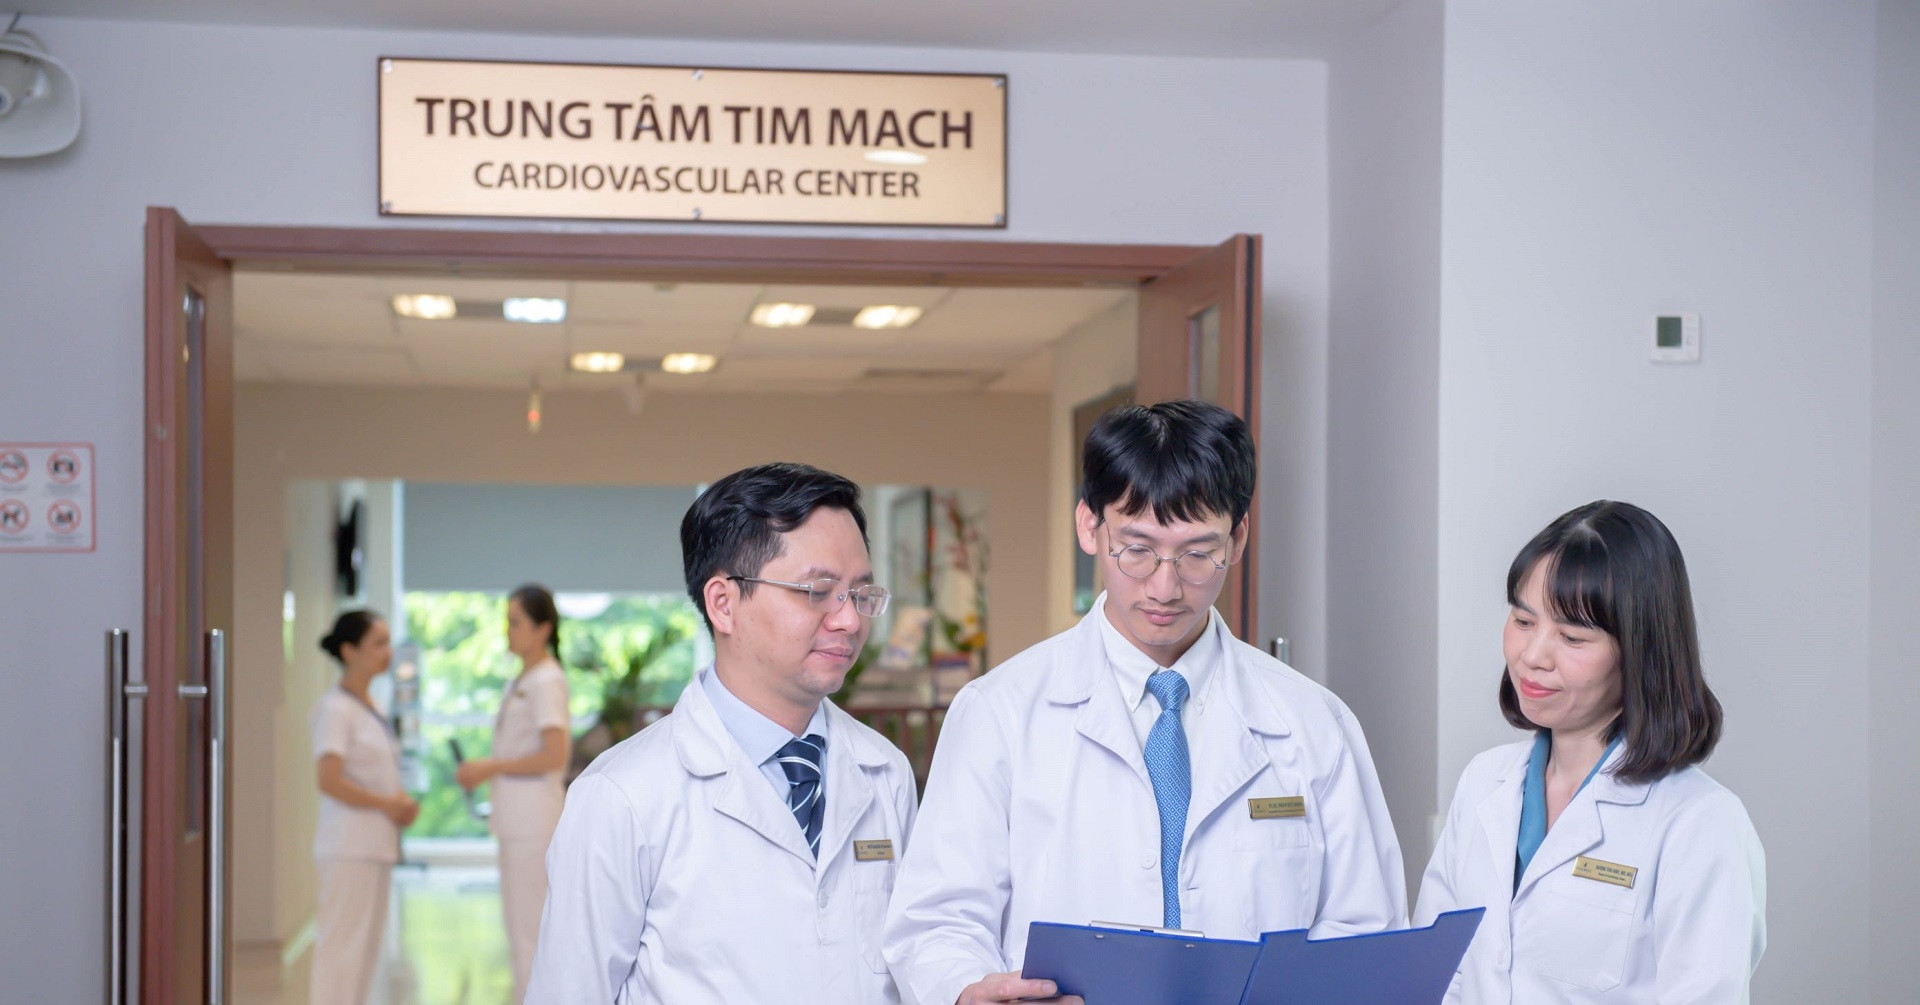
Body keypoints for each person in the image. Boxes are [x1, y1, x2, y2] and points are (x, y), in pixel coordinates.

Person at [884, 400, 1407, 1005]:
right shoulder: (998, 712)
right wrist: (970, 989)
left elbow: (1366, 930)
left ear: (1238, 538)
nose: (1165, 586)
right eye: (1136, 549)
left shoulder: (1314, 721)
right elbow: (939, 920)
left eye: (1197, 553)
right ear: (1089, 527)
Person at [526, 462, 920, 1004]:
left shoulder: (885, 771)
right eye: (818, 591)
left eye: (860, 593)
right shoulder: (622, 795)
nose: (849, 620)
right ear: (723, 603)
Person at [1414, 501, 1766, 1002]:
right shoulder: (1482, 782)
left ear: (1641, 652)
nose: (1532, 656)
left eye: (1572, 637)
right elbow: (1434, 976)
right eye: (1523, 620)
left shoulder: (1699, 822)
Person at [455, 584, 573, 1005]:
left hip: (533, 820)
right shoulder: (521, 680)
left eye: (516, 623)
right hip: (516, 819)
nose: (508, 631)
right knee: (520, 929)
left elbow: (554, 755)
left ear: (543, 630)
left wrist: (491, 767)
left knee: (530, 932)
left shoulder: (546, 680)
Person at [311, 610, 418, 1005]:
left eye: (388, 643)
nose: (387, 652)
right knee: (341, 950)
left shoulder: (370, 706)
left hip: (374, 847)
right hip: (348, 848)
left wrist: (398, 804)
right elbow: (329, 779)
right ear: (349, 651)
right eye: (378, 644)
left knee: (364, 953)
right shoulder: (335, 709)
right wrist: (388, 804)